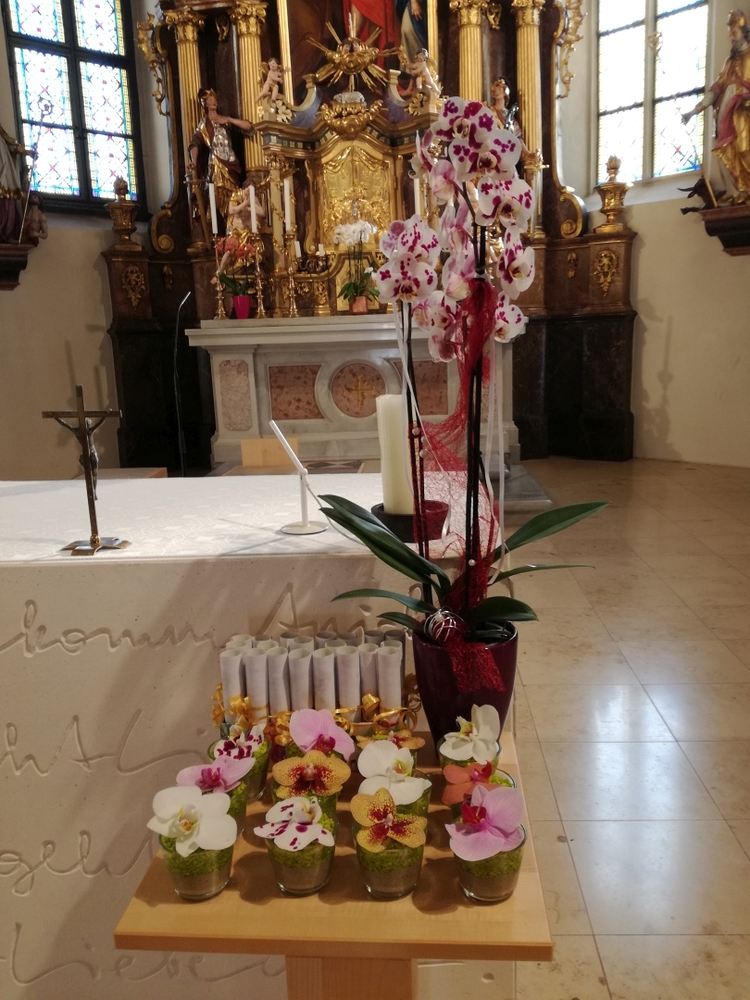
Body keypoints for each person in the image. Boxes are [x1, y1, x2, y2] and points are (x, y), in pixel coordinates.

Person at [682, 10, 750, 201]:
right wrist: (693, 111)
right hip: (726, 116)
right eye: (730, 34)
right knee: (727, 151)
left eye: (734, 32)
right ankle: (738, 192)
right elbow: (716, 89)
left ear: (743, 31)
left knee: (745, 151)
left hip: (744, 113)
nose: (731, 37)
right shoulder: (730, 61)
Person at [189, 89, 252, 220]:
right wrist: (194, 162)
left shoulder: (226, 121)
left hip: (230, 161)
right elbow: (195, 143)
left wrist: (229, 119)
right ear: (205, 103)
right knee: (216, 194)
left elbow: (248, 127)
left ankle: (232, 223)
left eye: (215, 99)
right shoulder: (204, 124)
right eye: (210, 99)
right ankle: (215, 223)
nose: (214, 102)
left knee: (234, 196)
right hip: (216, 163)